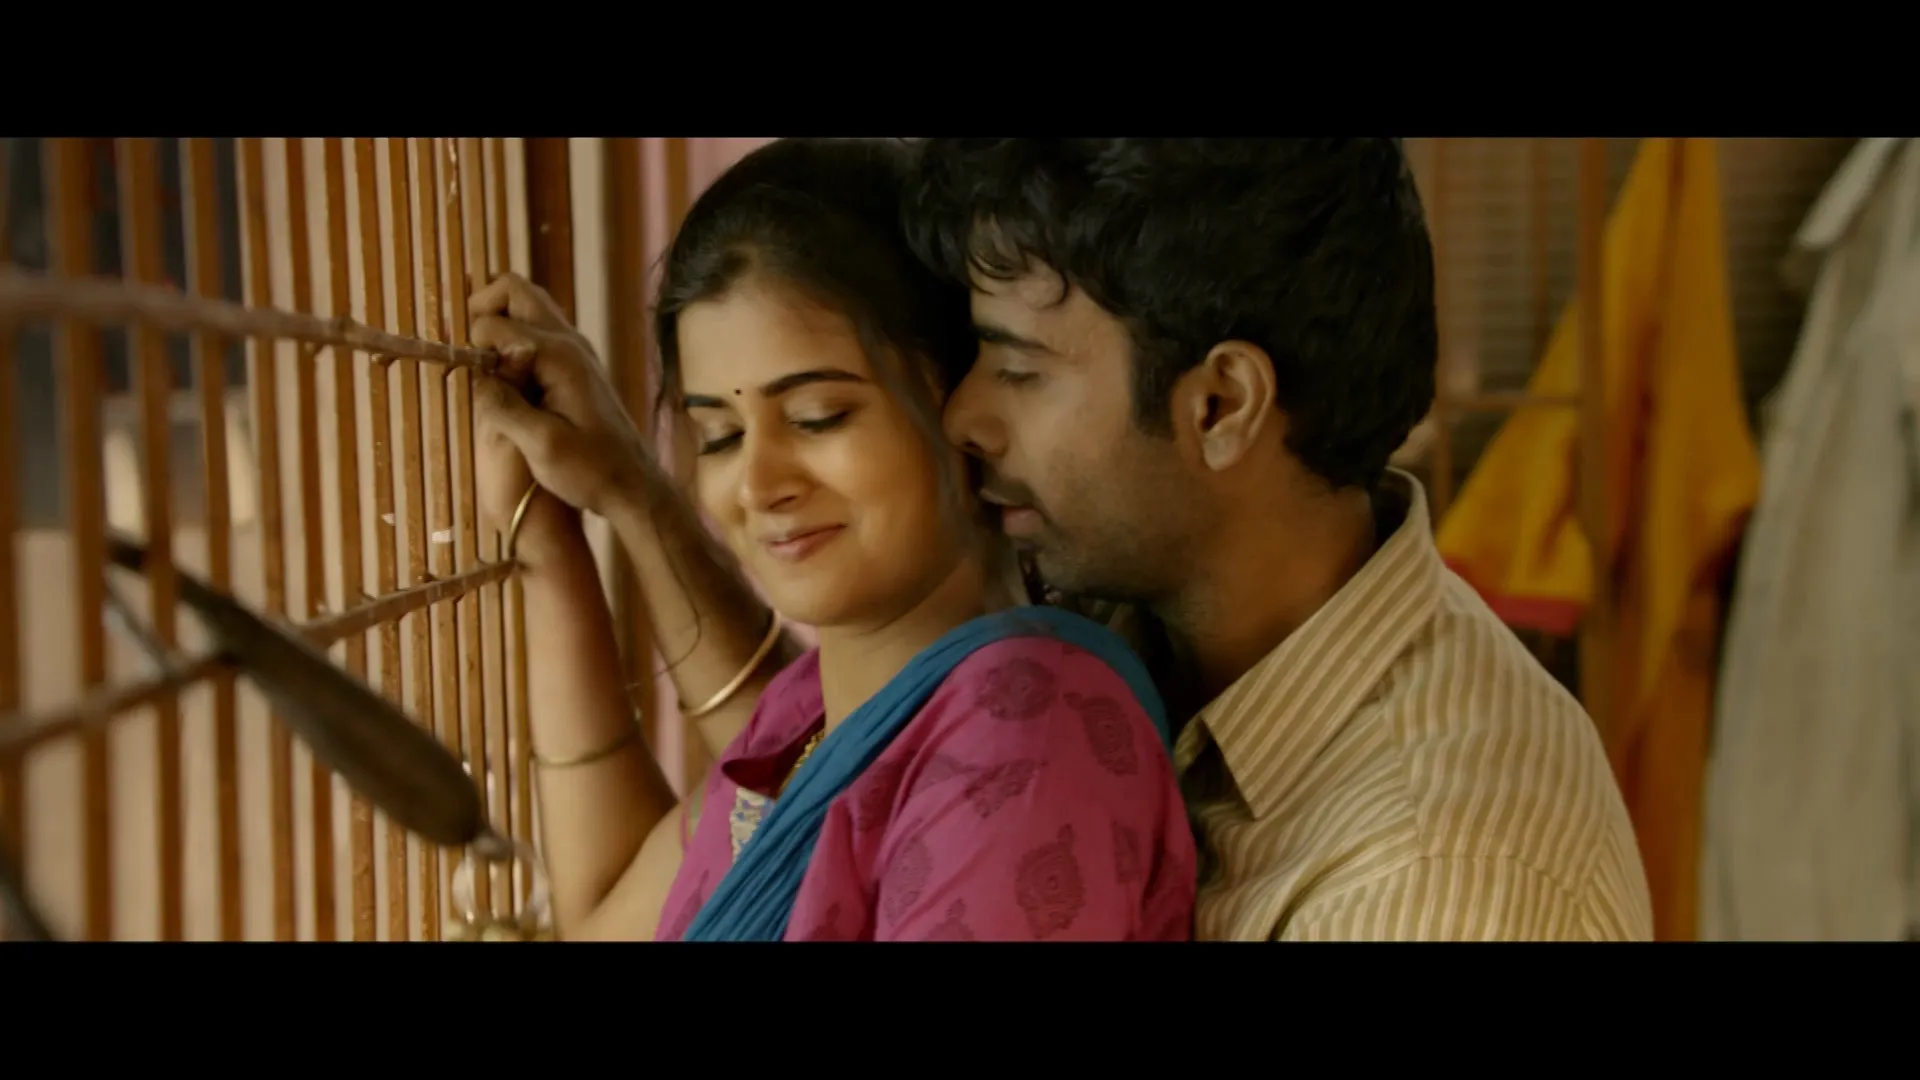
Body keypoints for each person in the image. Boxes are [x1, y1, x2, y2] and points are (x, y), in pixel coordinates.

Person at [475, 138, 1654, 942]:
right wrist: (624, 506)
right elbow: (844, 798)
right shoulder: (1127, 603)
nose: (968, 416)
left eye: (1018, 366)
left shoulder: (1440, 878)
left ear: (1219, 404)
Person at [470, 137, 1196, 942]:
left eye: (819, 418)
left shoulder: (1025, 730)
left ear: (964, 402)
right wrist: (549, 537)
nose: (757, 484)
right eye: (719, 436)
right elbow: (609, 922)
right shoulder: (803, 719)